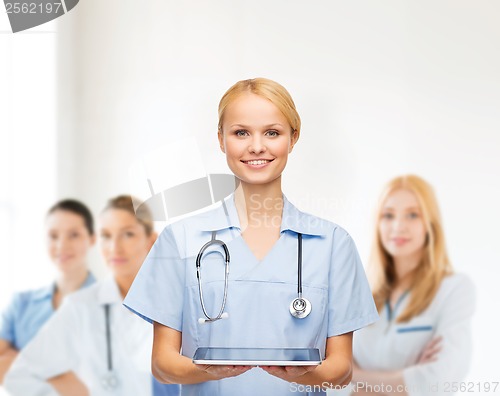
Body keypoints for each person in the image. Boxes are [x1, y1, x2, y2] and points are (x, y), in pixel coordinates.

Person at [123, 78, 379, 395]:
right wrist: (210, 371)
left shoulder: (333, 244)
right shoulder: (180, 240)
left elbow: (340, 371)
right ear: (221, 139)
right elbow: (162, 365)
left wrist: (295, 374)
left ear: (293, 138)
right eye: (241, 132)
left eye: (272, 132)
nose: (256, 146)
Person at [4, 196, 180, 396]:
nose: (114, 248)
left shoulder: (176, 302)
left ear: (151, 241)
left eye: (128, 234)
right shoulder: (80, 307)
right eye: (106, 235)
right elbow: (20, 375)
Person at [351, 175, 476, 396]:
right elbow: (327, 378)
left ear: (430, 224)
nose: (398, 226)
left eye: (412, 215)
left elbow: (441, 379)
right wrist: (410, 381)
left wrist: (354, 377)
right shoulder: (356, 292)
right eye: (388, 215)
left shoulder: (454, 290)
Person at [0, 199, 96, 384]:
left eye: (74, 235)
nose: (61, 245)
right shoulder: (21, 303)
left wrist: (18, 360)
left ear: (92, 239)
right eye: (53, 236)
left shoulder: (110, 306)